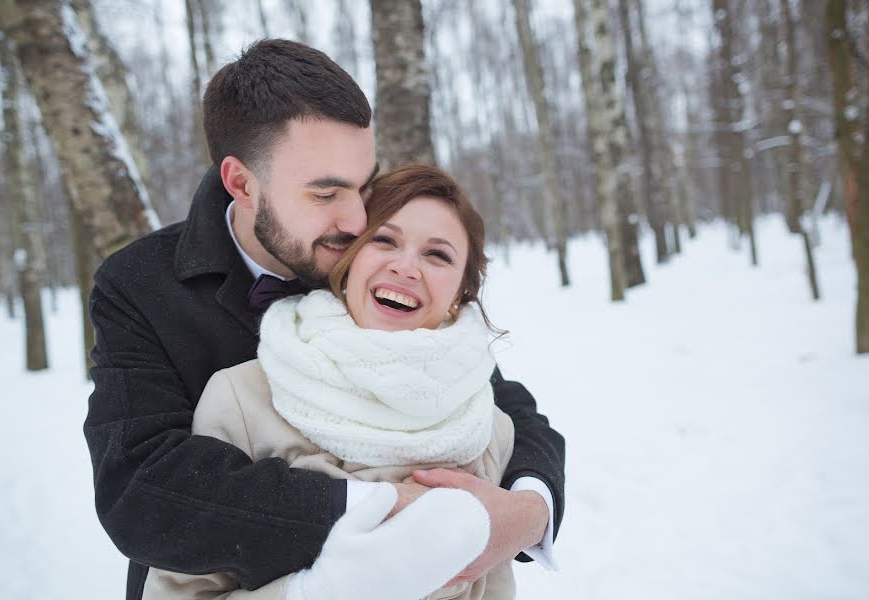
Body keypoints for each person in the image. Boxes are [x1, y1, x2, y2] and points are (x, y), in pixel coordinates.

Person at [85, 39, 565, 600]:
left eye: (364, 186)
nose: (359, 217)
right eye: (325, 192)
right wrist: (386, 511)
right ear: (241, 183)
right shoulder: (140, 282)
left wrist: (527, 513)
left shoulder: (366, 258)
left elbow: (490, 399)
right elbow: (140, 488)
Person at [145, 165, 521, 599]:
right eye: (384, 240)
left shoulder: (486, 428)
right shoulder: (243, 400)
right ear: (347, 258)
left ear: (462, 292)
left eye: (438, 255)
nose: (406, 267)